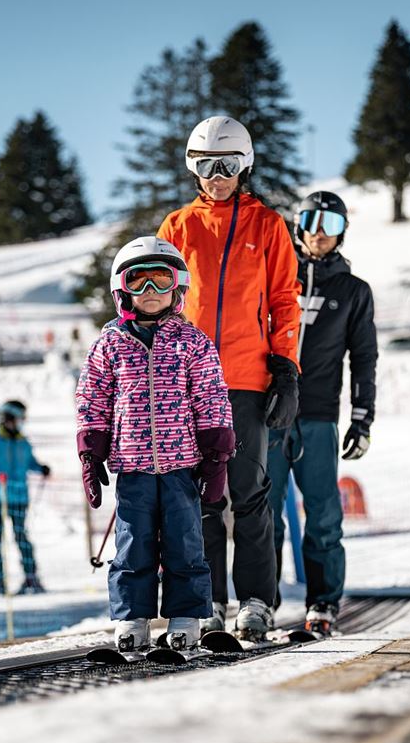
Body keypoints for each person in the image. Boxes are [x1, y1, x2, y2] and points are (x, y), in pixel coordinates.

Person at [158, 116, 301, 639]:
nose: (217, 176)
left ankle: (258, 600)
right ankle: (208, 600)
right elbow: (158, 302)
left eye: (228, 165)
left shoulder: (267, 225)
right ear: (192, 167)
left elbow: (286, 300)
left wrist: (286, 369)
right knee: (200, 497)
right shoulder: (177, 226)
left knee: (249, 490)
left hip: (246, 375)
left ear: (245, 166)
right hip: (187, 380)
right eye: (205, 165)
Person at [75, 236, 235, 652]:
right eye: (139, 282)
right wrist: (91, 453)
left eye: (160, 281)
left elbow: (212, 398)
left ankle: (186, 616)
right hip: (132, 466)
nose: (149, 293)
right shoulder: (109, 344)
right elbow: (93, 399)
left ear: (177, 287)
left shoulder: (193, 342)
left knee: (185, 542)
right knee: (133, 544)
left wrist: (217, 454)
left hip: (183, 465)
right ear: (121, 289)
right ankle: (133, 618)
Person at [268, 190, 378, 634]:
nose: (318, 232)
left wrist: (362, 417)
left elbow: (364, 357)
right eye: (311, 221)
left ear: (342, 233)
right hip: (270, 413)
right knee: (262, 513)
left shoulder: (353, 291)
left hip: (318, 416)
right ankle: (262, 601)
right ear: (298, 226)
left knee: (324, 513)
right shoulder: (276, 282)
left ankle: (324, 603)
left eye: (330, 225)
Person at [0, 400, 51, 599]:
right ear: (8, 418)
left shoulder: (22, 442)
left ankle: (31, 577)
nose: (21, 423)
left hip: (19, 497)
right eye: (19, 418)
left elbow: (31, 462)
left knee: (21, 537)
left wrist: (41, 467)